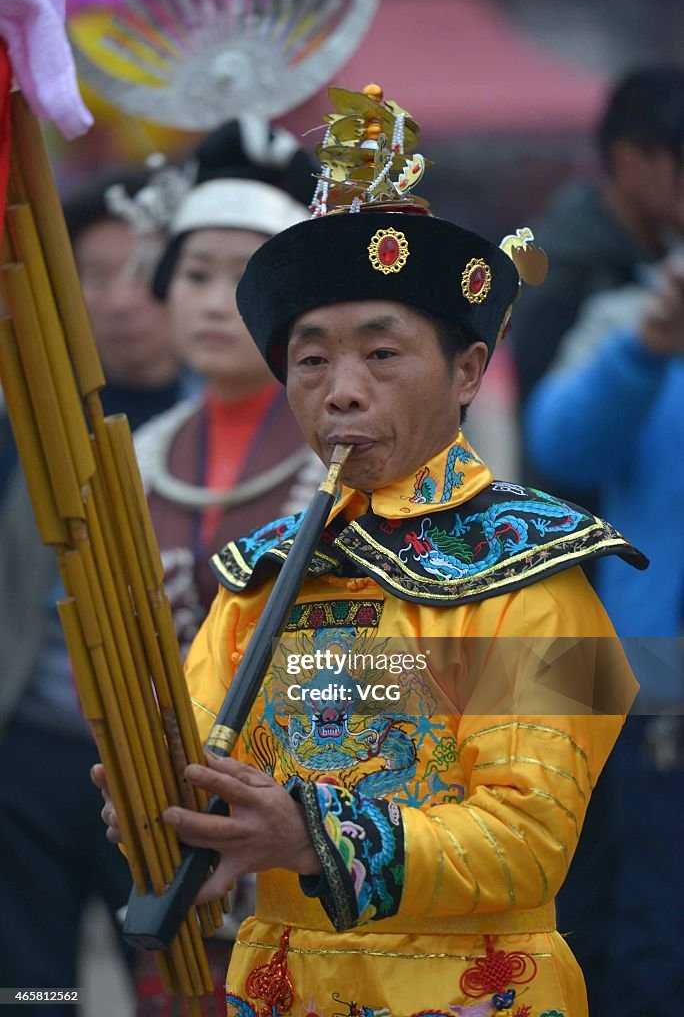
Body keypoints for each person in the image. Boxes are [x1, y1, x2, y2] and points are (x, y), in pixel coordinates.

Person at [95, 86, 644, 1017]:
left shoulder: (547, 570)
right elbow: (207, 767)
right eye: (312, 362)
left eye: (383, 356)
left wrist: (310, 838)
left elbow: (531, 837)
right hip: (277, 985)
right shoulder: (257, 574)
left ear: (468, 371)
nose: (342, 392)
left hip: (475, 988)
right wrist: (167, 808)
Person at [129, 118, 324, 1015]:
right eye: (196, 275)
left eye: (243, 281)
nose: (214, 304)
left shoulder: (344, 461)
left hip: (309, 806)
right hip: (159, 803)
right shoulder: (132, 458)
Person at [0, 169, 195, 1014]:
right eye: (93, 272)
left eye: (144, 269)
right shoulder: (23, 416)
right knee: (30, 988)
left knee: (178, 984)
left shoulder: (226, 419)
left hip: (169, 760)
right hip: (32, 754)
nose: (119, 298)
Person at [524, 256, 684, 1016]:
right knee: (652, 933)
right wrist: (648, 344)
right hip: (658, 685)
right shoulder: (628, 313)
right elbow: (559, 444)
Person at [512, 65, 684, 498]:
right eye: (680, 161)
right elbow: (548, 440)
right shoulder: (563, 269)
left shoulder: (657, 257)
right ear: (629, 162)